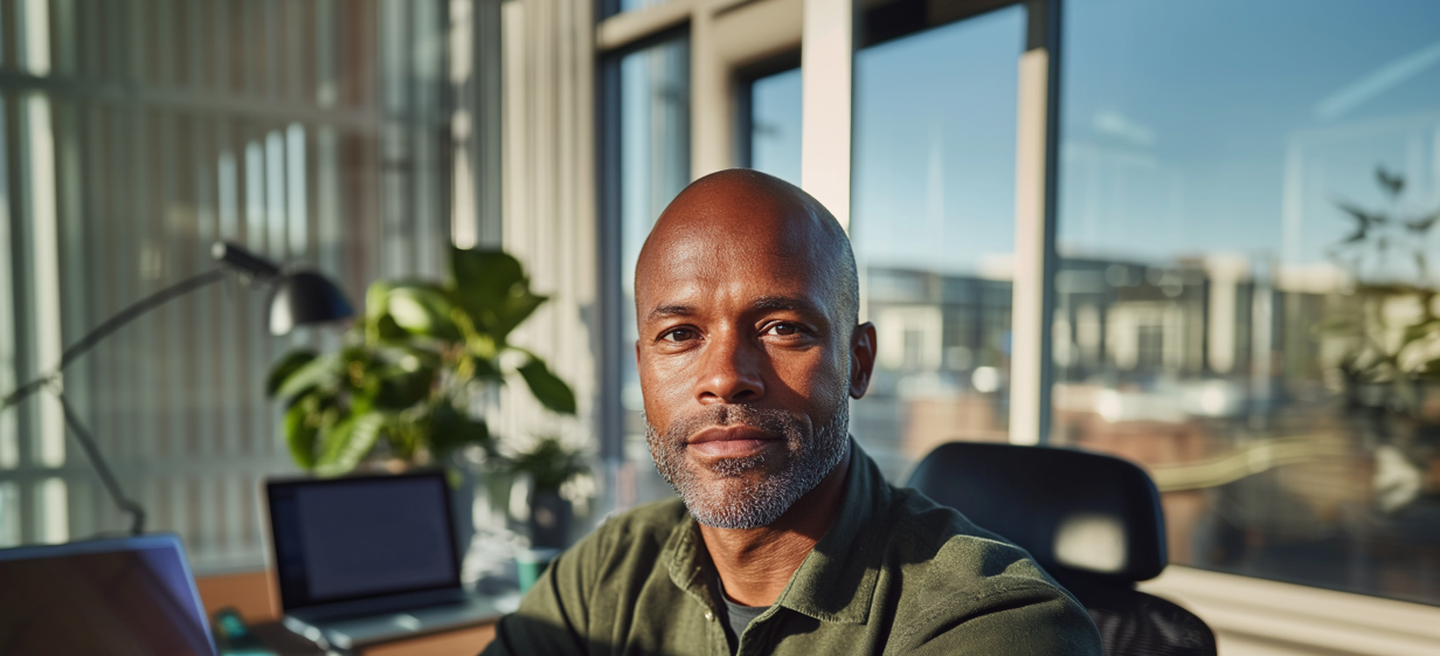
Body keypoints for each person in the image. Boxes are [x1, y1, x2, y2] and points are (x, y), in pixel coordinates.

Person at [482, 169, 1104, 655]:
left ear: (858, 363)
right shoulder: (607, 572)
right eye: (678, 335)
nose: (725, 377)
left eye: (782, 328)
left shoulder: (995, 625)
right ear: (642, 365)